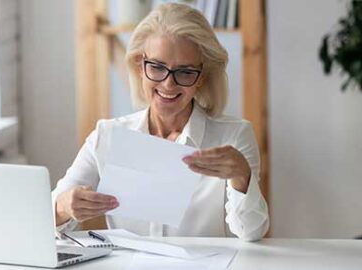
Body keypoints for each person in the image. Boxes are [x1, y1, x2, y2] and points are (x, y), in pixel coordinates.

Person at [52, 3, 269, 241]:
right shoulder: (108, 135)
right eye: (156, 67)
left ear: (202, 77)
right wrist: (63, 207)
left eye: (185, 72)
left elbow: (252, 233)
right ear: (139, 66)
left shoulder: (234, 137)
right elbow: (46, 214)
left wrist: (241, 177)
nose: (168, 84)